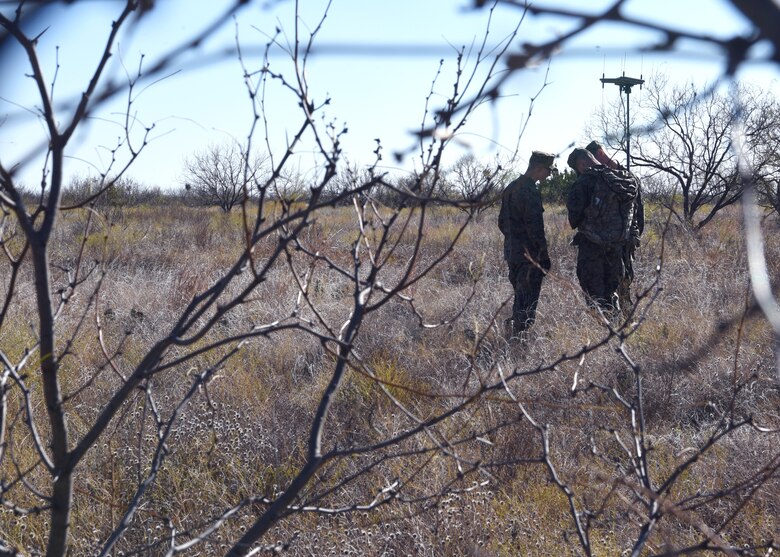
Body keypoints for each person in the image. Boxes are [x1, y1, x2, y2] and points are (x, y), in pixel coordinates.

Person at [566, 147, 640, 319]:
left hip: (592, 247)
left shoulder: (585, 182)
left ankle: (605, 330)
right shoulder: (623, 180)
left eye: (576, 168)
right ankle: (615, 326)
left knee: (593, 293)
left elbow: (573, 220)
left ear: (582, 164)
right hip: (617, 248)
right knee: (611, 289)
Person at [498, 151, 555, 337]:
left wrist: (513, 240)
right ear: (538, 168)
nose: (550, 175)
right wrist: (542, 257)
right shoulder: (529, 191)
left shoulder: (511, 187)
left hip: (512, 253)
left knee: (520, 296)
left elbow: (501, 223)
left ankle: (515, 334)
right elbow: (535, 229)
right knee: (528, 300)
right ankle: (519, 339)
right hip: (530, 256)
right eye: (549, 170)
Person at [585, 141, 645, 316]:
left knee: (623, 281)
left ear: (600, 154)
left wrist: (632, 239)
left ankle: (625, 321)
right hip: (605, 242)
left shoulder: (628, 178)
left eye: (593, 158)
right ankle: (612, 319)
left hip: (624, 242)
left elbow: (639, 215)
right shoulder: (601, 179)